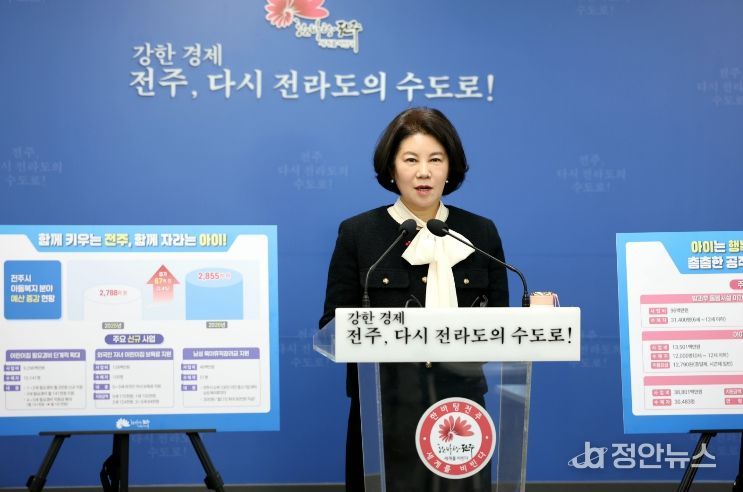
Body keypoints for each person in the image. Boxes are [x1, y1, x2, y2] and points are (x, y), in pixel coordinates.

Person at [319, 107, 509, 491]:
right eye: (411, 160)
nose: (424, 172)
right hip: (385, 411)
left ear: (450, 168)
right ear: (391, 168)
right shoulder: (359, 234)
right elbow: (332, 326)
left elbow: (501, 327)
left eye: (435, 160)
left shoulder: (480, 233)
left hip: (460, 409)